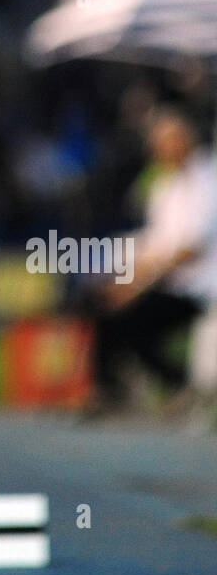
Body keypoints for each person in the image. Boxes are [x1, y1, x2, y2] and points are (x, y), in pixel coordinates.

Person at [91, 106, 217, 411]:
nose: (161, 149)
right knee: (104, 303)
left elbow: (191, 248)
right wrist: (125, 278)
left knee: (133, 319)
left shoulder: (208, 179)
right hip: (168, 282)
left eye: (167, 141)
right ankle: (109, 389)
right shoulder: (164, 186)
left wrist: (138, 283)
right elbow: (156, 243)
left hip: (199, 287)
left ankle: (177, 383)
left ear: (185, 140)